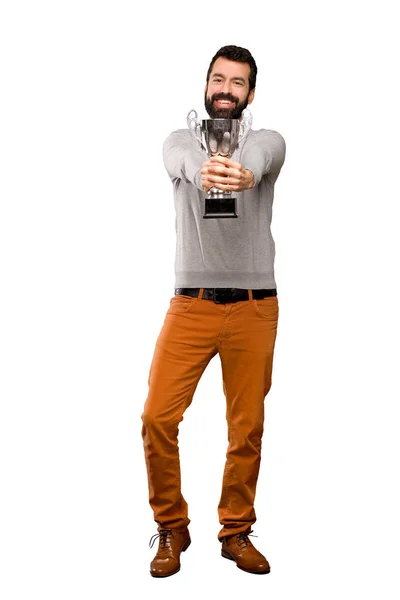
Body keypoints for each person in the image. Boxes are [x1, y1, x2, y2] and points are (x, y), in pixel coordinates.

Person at [141, 45, 286, 577]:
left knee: (246, 427)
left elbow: (262, 158)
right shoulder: (179, 141)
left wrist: (242, 174)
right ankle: (171, 528)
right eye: (218, 79)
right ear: (206, 85)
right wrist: (205, 170)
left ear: (250, 93)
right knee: (157, 417)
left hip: (254, 306)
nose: (227, 89)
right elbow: (178, 158)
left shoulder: (267, 140)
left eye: (238, 82)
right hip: (191, 305)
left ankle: (236, 531)